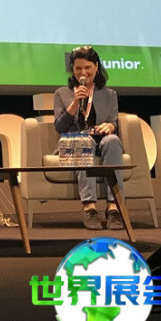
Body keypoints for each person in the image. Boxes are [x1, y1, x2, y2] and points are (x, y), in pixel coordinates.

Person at [54, 45, 124, 231]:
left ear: (96, 67)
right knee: (84, 141)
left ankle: (114, 208)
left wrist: (111, 126)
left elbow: (113, 122)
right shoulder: (62, 93)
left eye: (87, 67)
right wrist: (75, 102)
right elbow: (60, 127)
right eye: (78, 68)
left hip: (101, 139)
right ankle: (90, 208)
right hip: (74, 141)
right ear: (72, 69)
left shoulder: (109, 94)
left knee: (113, 140)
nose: (82, 73)